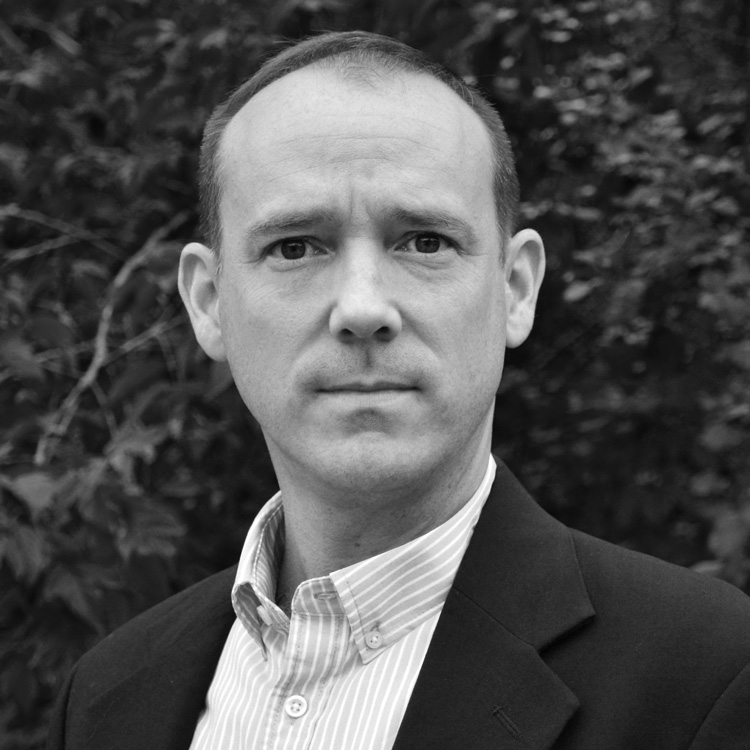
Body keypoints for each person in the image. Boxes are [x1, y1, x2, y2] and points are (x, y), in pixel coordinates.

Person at [48, 31, 750, 750]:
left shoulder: (710, 676)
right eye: (295, 247)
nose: (362, 308)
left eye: (424, 242)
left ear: (515, 288)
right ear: (208, 301)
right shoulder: (107, 700)